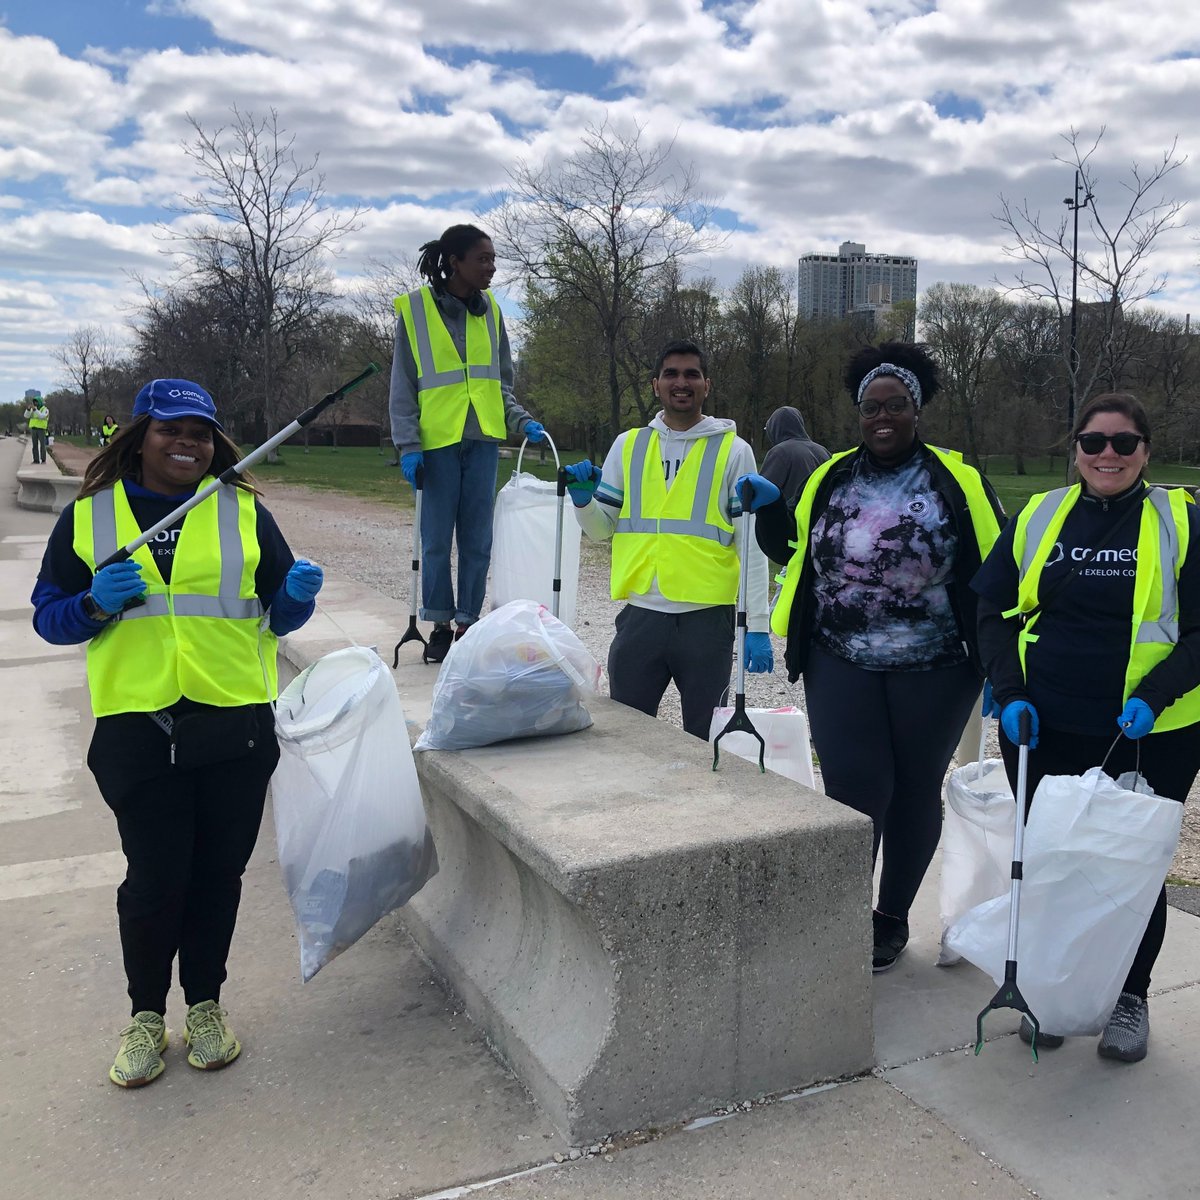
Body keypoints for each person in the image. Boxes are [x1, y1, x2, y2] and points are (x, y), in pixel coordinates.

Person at [31, 378, 323, 1088]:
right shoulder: (91, 517)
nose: (186, 443)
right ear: (141, 436)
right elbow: (48, 616)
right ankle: (143, 1017)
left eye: (199, 432)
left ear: (214, 442)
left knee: (217, 877)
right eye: (170, 430)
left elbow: (278, 617)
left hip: (236, 723)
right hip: (139, 727)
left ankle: (206, 1006)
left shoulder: (245, 512)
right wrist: (91, 607)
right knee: (156, 881)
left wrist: (293, 600)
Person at [740, 342, 1004, 972]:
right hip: (839, 658)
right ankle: (840, 912)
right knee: (854, 791)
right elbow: (798, 550)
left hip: (936, 666)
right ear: (858, 414)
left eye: (896, 405)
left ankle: (890, 919)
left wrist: (1000, 660)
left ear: (917, 410)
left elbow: (999, 570)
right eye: (870, 407)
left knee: (913, 789)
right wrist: (769, 511)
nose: (882, 417)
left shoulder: (956, 480)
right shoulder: (831, 476)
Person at [973, 392, 1200, 1063]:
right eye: (1093, 442)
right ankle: (1057, 989)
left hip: (1151, 730)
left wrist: (1157, 696)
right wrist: (1008, 690)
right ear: (1075, 449)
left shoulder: (1181, 521)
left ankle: (1129, 998)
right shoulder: (1041, 514)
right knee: (1052, 862)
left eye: (1123, 443)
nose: (1108, 455)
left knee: (1131, 869)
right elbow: (991, 607)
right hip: (1045, 722)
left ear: (1145, 451)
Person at [563, 338, 773, 740]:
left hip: (706, 622)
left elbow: (752, 546)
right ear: (656, 384)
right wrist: (584, 502)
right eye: (671, 374)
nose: (682, 382)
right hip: (641, 617)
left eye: (691, 374)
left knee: (704, 738)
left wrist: (757, 625)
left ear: (706, 385)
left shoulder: (734, 450)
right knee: (627, 736)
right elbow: (601, 529)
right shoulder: (629, 445)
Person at [389, 223, 545, 663]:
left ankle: (468, 624)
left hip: (481, 442)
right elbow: (402, 386)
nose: (491, 268)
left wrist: (522, 420)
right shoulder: (415, 312)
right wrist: (408, 445)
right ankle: (439, 624)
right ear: (454, 262)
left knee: (477, 540)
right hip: (435, 445)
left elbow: (501, 384)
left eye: (493, 259)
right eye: (482, 259)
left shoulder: (492, 312)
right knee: (436, 540)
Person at [760, 405, 830, 508]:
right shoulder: (823, 451)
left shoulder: (780, 452)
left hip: (790, 520)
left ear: (775, 429)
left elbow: (761, 492)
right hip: (820, 519)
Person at [24, 393, 50, 464]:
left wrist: (35, 410)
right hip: (34, 428)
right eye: (34, 402)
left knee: (42, 445)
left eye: (36, 402)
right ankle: (36, 459)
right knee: (34, 445)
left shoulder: (45, 409)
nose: (35, 403)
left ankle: (43, 459)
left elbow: (42, 416)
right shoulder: (33, 409)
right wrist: (28, 410)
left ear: (40, 402)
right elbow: (26, 416)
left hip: (41, 429)